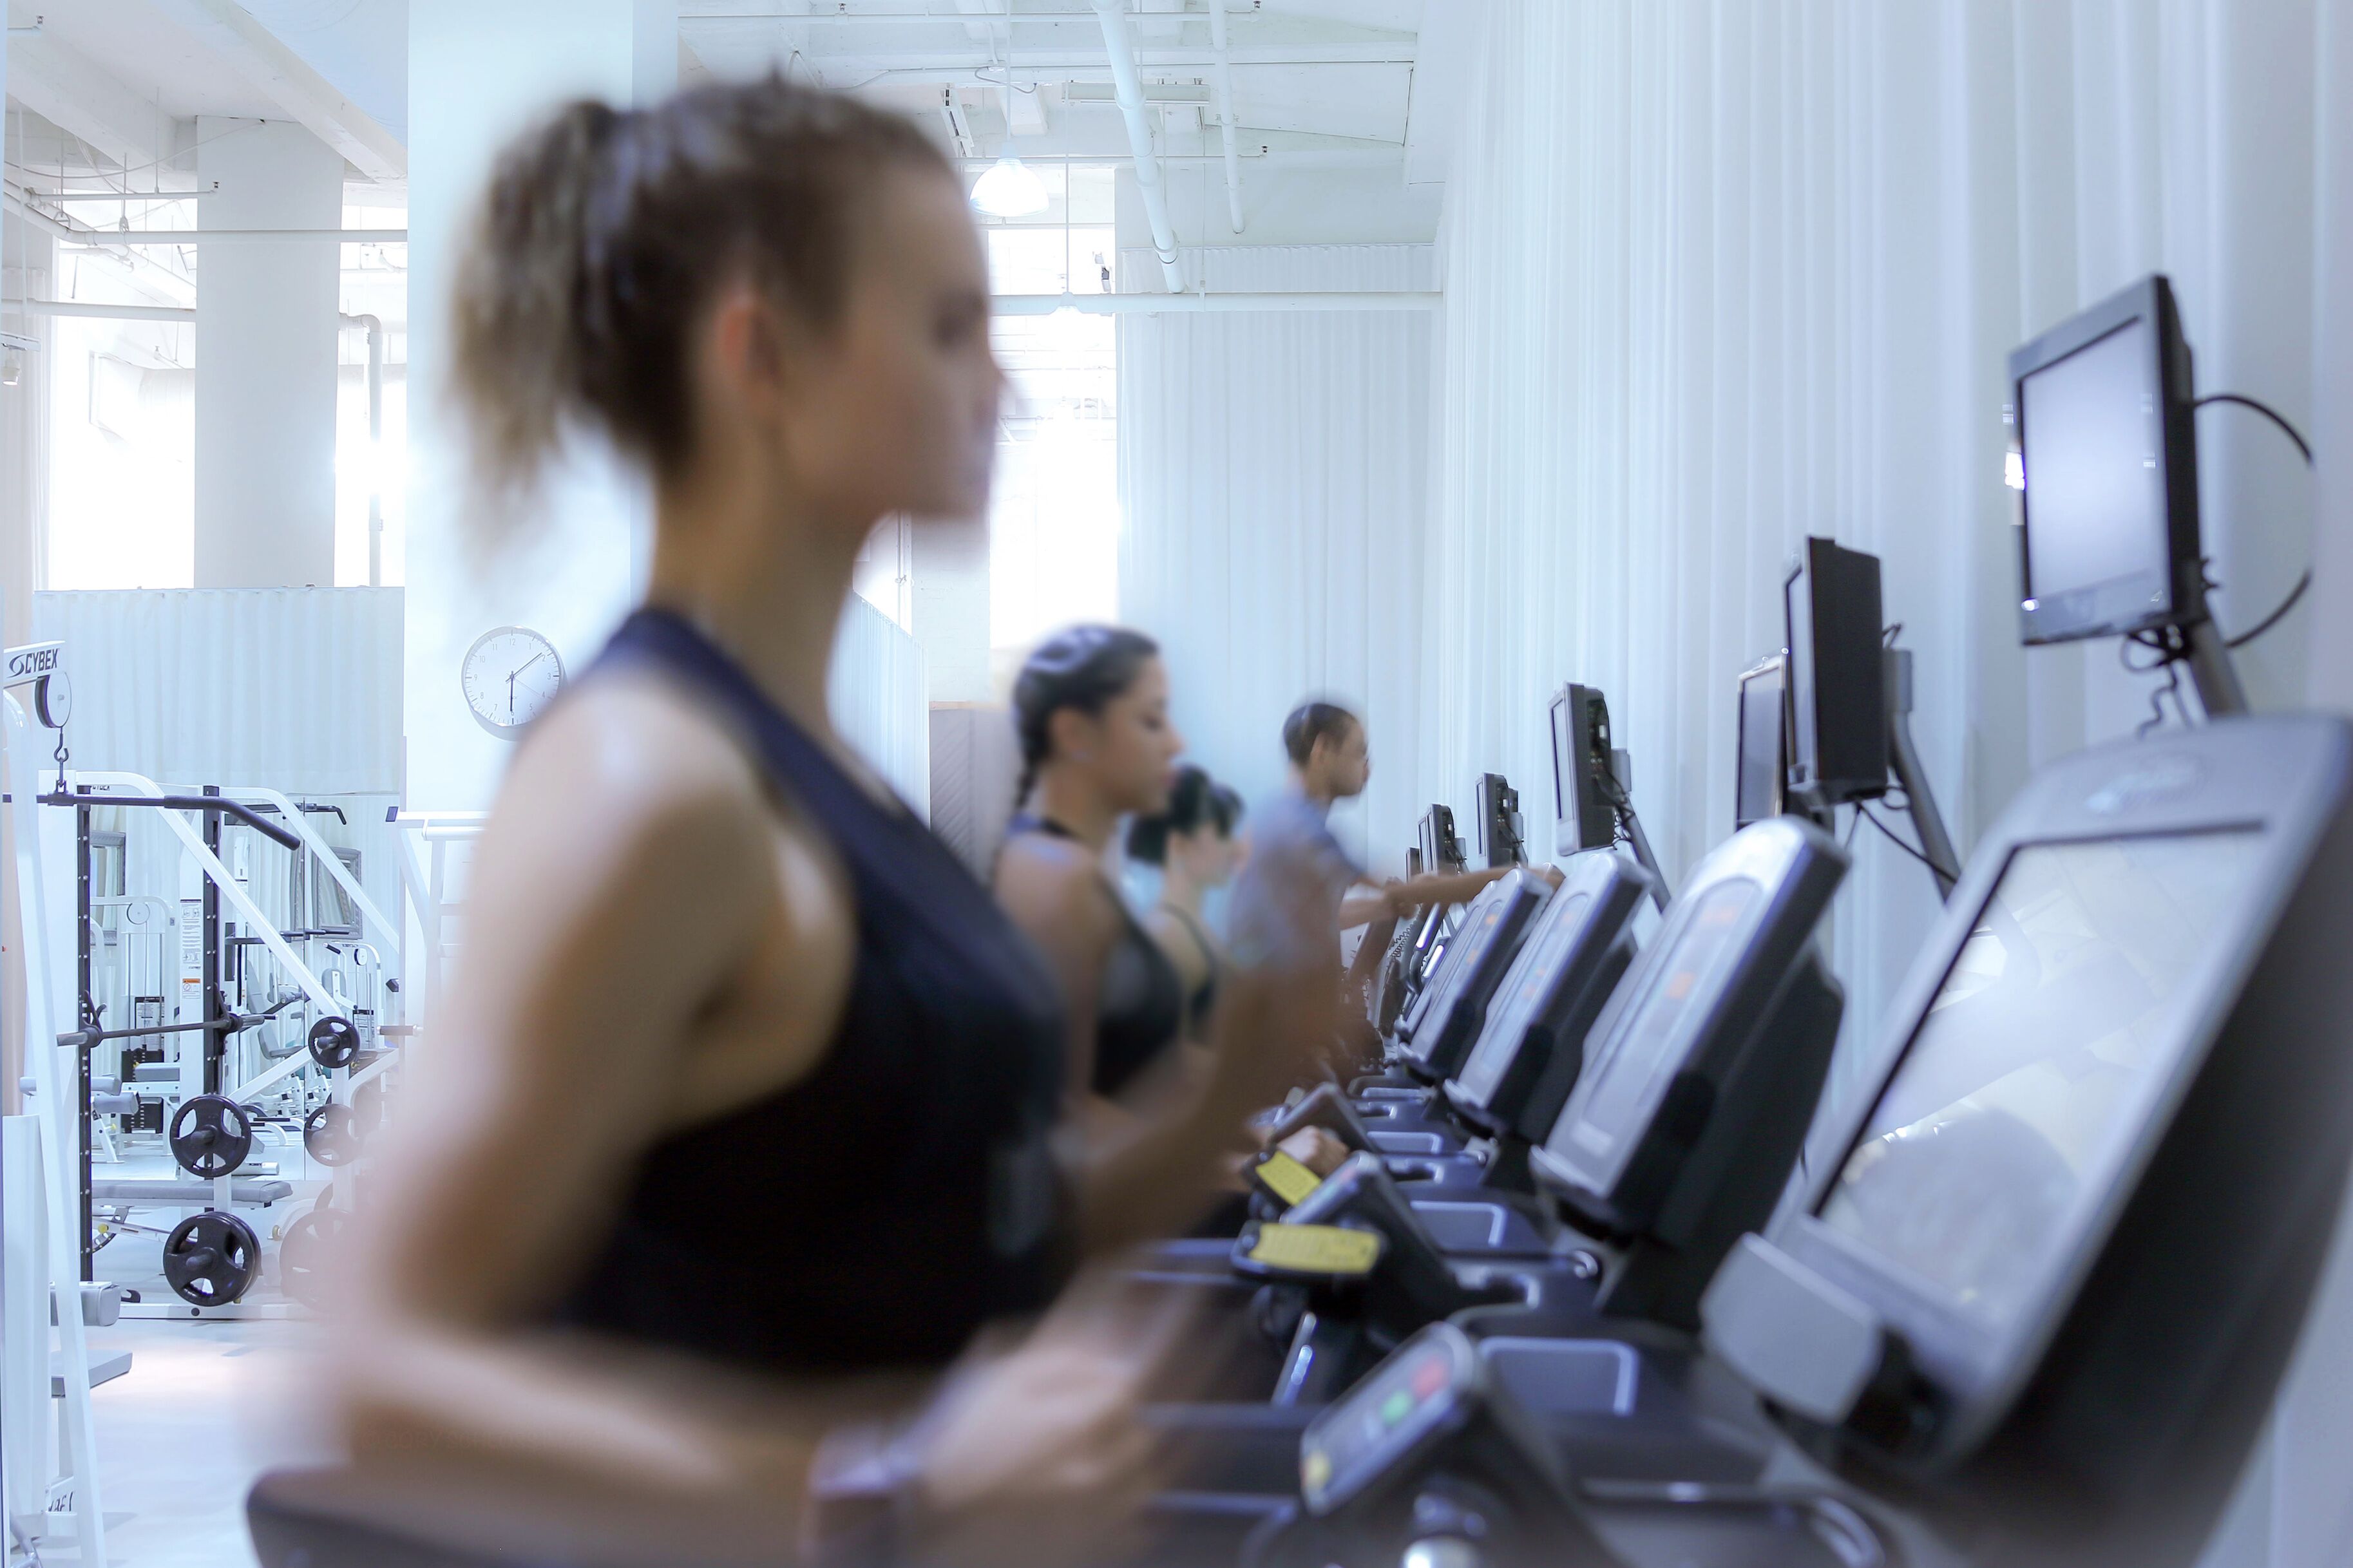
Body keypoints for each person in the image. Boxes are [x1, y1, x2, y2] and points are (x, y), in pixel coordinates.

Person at [282, 79, 1329, 1568]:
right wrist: (883, 1484)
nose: (1002, 387)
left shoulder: (826, 772)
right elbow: (374, 1367)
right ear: (760, 353)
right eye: (950, 328)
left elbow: (971, 1215)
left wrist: (1239, 1080)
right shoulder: (649, 780)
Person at [993, 627, 1190, 1104]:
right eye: (1151, 720)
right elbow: (1063, 1124)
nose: (1175, 743)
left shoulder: (1072, 868)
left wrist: (1262, 1142)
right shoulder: (1055, 879)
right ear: (1074, 733)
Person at [1230, 700, 1521, 975]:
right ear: (1322, 751)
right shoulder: (1299, 828)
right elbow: (1402, 886)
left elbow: (1327, 916)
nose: (1367, 769)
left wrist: (1387, 905)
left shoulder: (1278, 816)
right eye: (1360, 753)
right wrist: (1521, 879)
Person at [1127, 765, 1246, 1045]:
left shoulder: (1191, 927)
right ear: (1179, 845)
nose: (1238, 849)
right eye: (1223, 834)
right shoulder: (1169, 935)